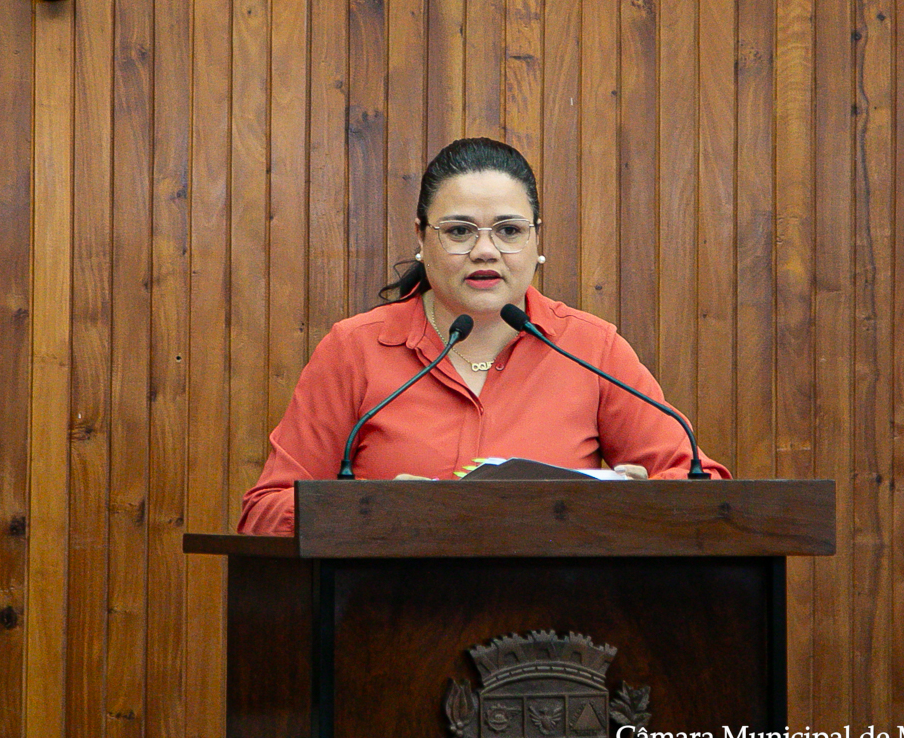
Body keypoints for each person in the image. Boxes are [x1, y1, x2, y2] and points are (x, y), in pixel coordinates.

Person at [239, 138, 730, 535]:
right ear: (421, 236)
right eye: (459, 232)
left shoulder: (590, 348)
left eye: (509, 231)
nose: (485, 251)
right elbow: (264, 511)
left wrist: (635, 503)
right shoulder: (355, 350)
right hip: (390, 610)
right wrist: (372, 510)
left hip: (556, 616)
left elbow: (702, 484)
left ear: (536, 238)